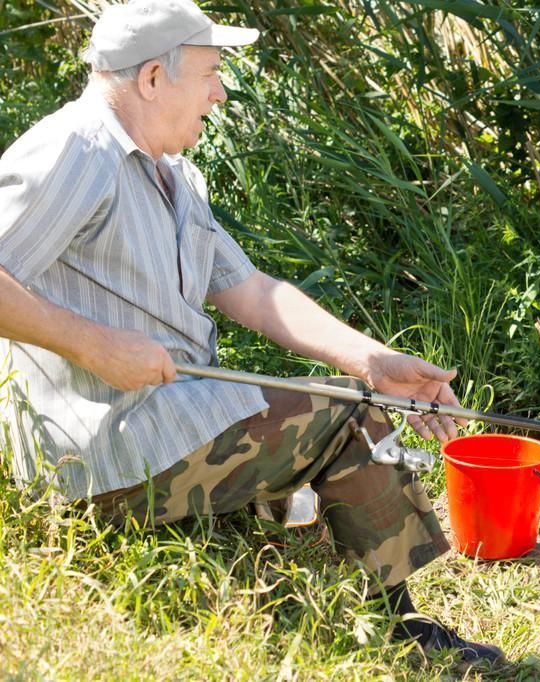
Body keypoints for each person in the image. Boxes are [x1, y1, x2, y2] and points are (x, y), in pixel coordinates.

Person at [0, 0, 502, 668]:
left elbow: (252, 291)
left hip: (164, 427)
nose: (220, 91)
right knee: (346, 416)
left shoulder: (172, 171)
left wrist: (373, 360)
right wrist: (94, 346)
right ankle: (399, 634)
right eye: (209, 73)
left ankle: (293, 572)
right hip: (101, 453)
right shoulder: (76, 149)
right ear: (153, 79)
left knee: (354, 392)